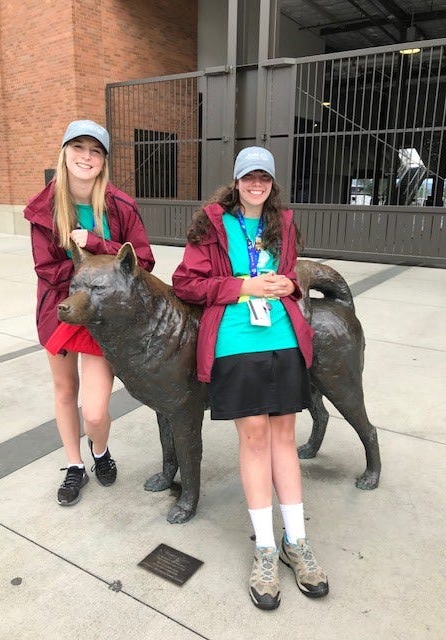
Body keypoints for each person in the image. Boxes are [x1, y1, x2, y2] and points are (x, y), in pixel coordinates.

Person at [172, 147, 328, 610]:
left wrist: (289, 284)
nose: (256, 184)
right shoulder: (212, 224)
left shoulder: (284, 223)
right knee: (255, 435)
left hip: (282, 337)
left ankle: (296, 541)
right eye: (249, 177)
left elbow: (289, 274)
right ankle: (265, 547)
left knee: (284, 436)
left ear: (271, 183)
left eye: (264, 178)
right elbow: (186, 284)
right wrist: (243, 285)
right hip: (235, 341)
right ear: (237, 181)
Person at [24, 119, 155, 507]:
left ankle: (100, 450)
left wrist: (97, 243)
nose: (86, 156)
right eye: (78, 147)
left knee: (95, 413)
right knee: (66, 391)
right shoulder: (44, 208)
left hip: (105, 316)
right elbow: (47, 269)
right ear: (64, 153)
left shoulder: (120, 205)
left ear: (104, 160)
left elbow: (143, 261)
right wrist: (95, 273)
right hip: (62, 310)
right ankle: (74, 465)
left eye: (95, 150)